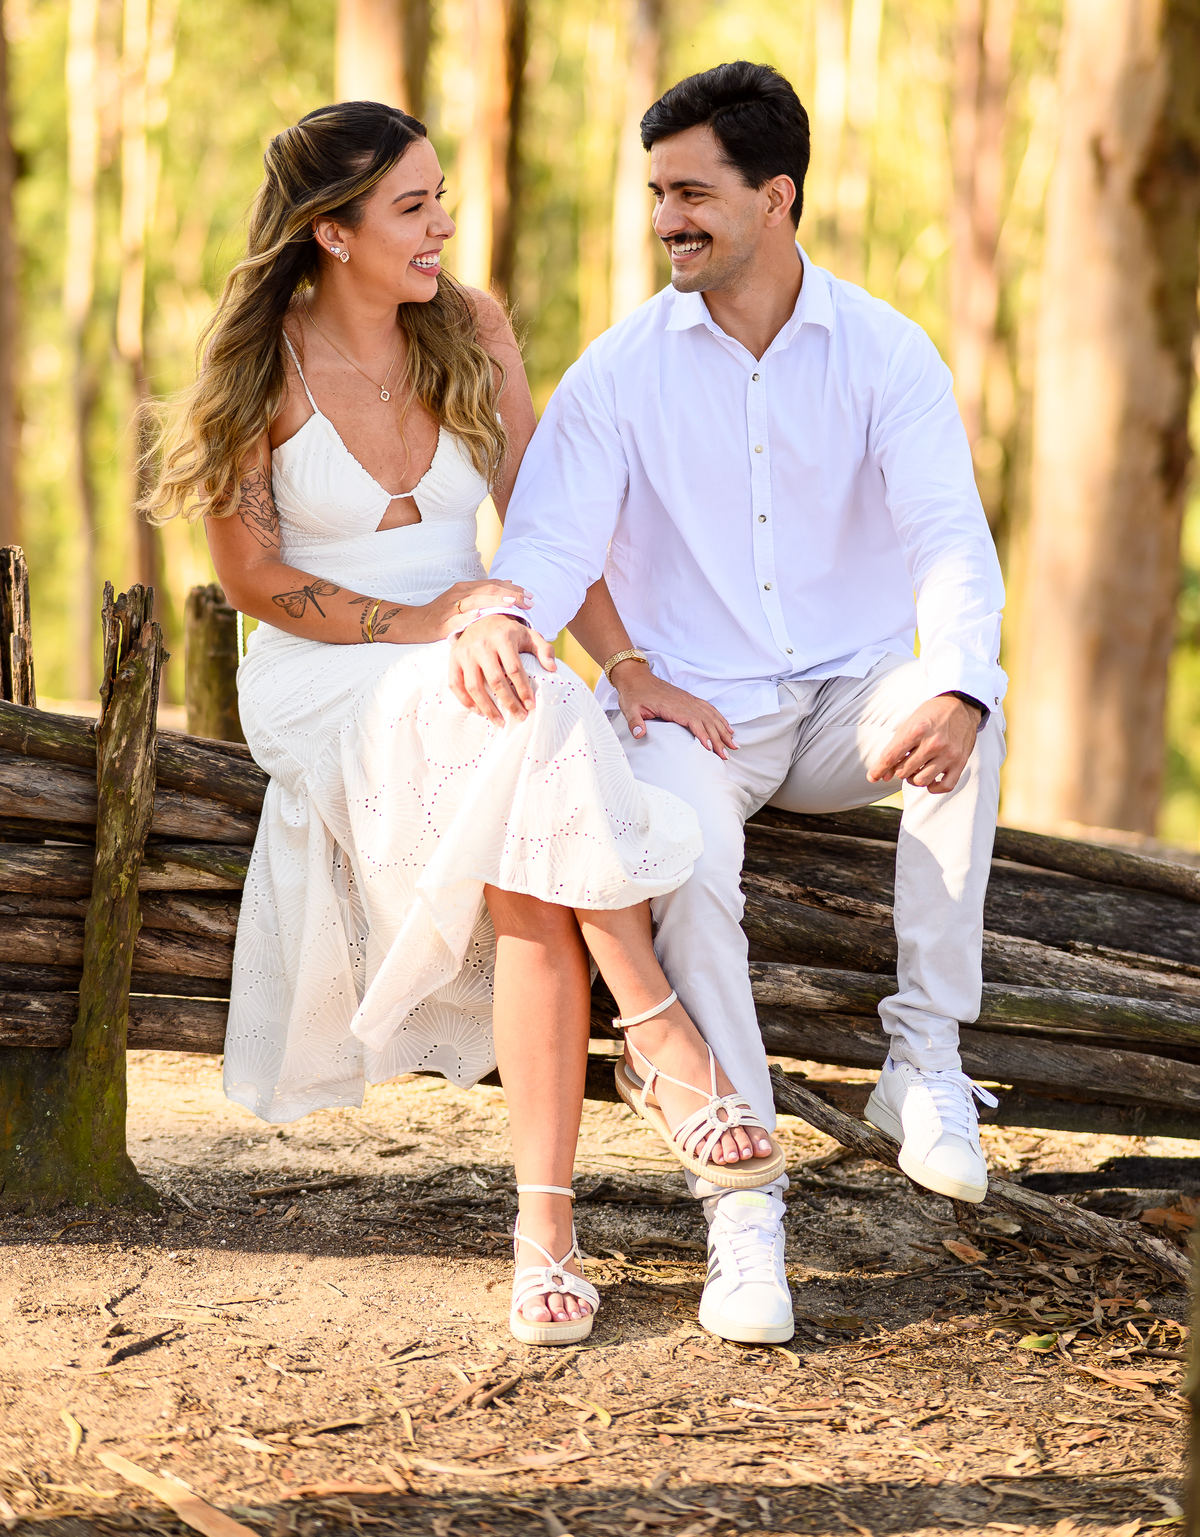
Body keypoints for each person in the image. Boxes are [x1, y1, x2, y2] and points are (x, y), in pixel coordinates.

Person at [144, 99, 787, 1348]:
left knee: (532, 842)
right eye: (413, 206)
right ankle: (656, 1030)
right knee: (526, 713)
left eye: (442, 195)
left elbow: (549, 520)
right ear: (332, 234)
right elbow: (257, 586)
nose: (445, 224)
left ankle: (546, 1237)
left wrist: (630, 662)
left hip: (485, 659)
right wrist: (431, 620)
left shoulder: (471, 328)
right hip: (334, 664)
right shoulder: (258, 364)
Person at [450, 60, 1007, 1349]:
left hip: (846, 701)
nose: (668, 219)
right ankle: (742, 1213)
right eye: (657, 195)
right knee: (684, 855)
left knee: (970, 704)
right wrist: (501, 610)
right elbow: (546, 537)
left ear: (777, 196)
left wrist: (959, 683)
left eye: (692, 192)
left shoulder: (887, 352)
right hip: (694, 710)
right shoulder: (620, 372)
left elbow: (950, 543)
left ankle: (925, 1061)